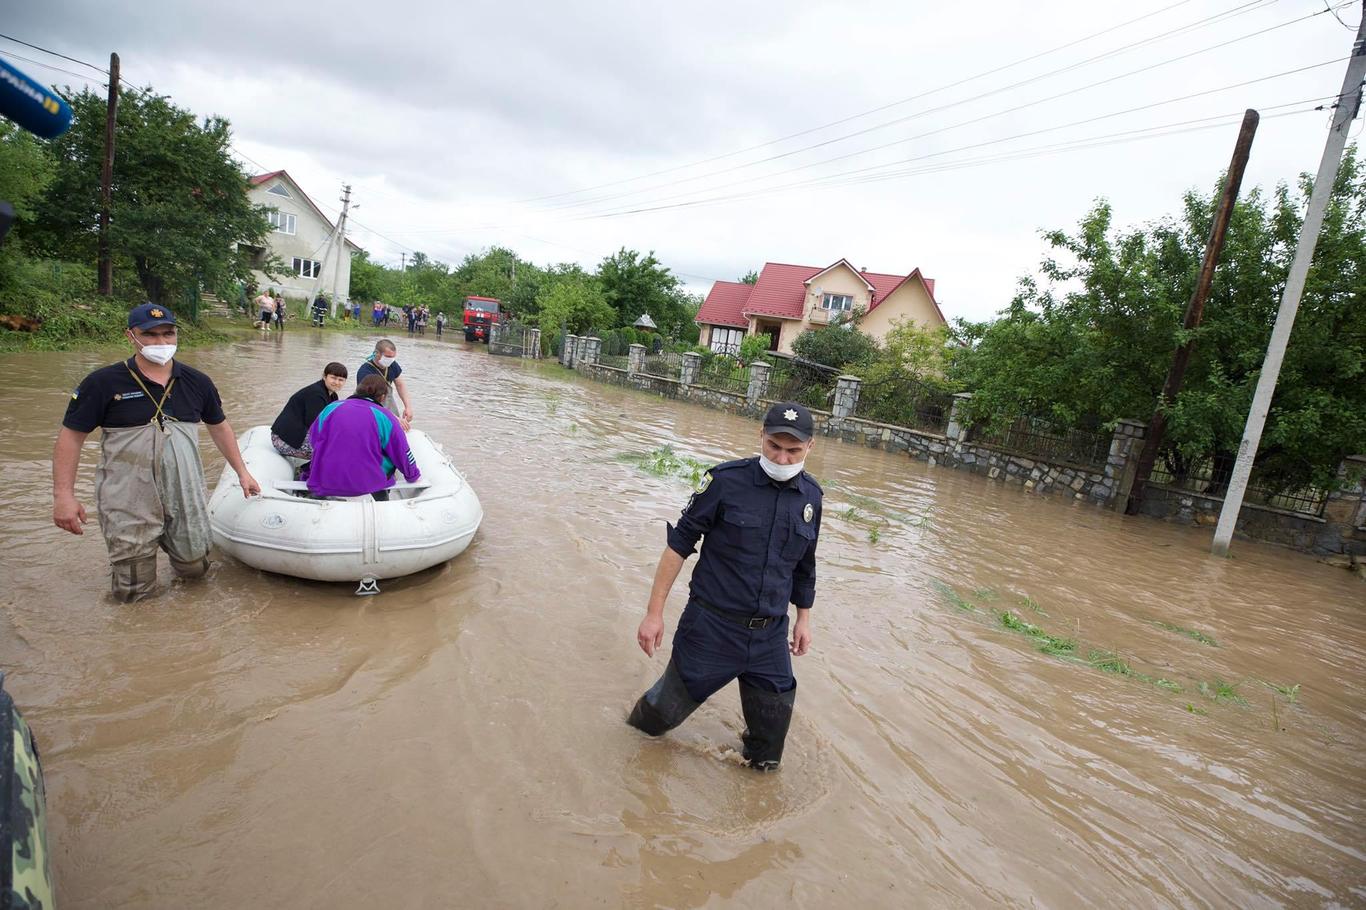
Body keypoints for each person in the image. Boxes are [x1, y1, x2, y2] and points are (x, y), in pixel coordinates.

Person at [628, 402, 822, 772]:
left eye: (793, 450)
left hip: (769, 637)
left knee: (767, 755)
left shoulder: (811, 497)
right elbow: (678, 546)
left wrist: (803, 619)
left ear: (810, 447)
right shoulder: (725, 482)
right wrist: (654, 614)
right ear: (760, 437)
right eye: (774, 446)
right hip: (711, 630)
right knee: (653, 723)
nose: (782, 458)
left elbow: (805, 562)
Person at [52, 303, 262, 602]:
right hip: (127, 495)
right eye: (149, 335)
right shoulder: (102, 383)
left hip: (183, 490)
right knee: (134, 589)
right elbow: (71, 437)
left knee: (194, 568)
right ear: (131, 336)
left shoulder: (197, 382)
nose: (161, 343)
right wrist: (64, 496)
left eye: (168, 333)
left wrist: (243, 472)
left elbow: (219, 426)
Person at [306, 374, 420, 500]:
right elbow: (401, 451)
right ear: (382, 397)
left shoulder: (331, 408)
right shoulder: (386, 416)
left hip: (326, 478)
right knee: (384, 458)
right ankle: (382, 502)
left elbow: (314, 439)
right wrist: (413, 475)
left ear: (357, 390)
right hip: (367, 483)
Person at [270, 362, 347, 459]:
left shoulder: (333, 396)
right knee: (332, 451)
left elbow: (332, 421)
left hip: (298, 434)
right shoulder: (316, 394)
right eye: (333, 378)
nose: (336, 382)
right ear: (324, 376)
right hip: (282, 440)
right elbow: (315, 425)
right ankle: (315, 472)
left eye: (341, 380)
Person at [356, 339, 413, 430]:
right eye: (387, 356)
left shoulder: (392, 364)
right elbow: (370, 401)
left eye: (393, 357)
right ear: (376, 353)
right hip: (370, 409)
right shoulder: (365, 372)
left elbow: (400, 384)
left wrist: (408, 407)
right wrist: (395, 418)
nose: (390, 360)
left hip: (388, 406)